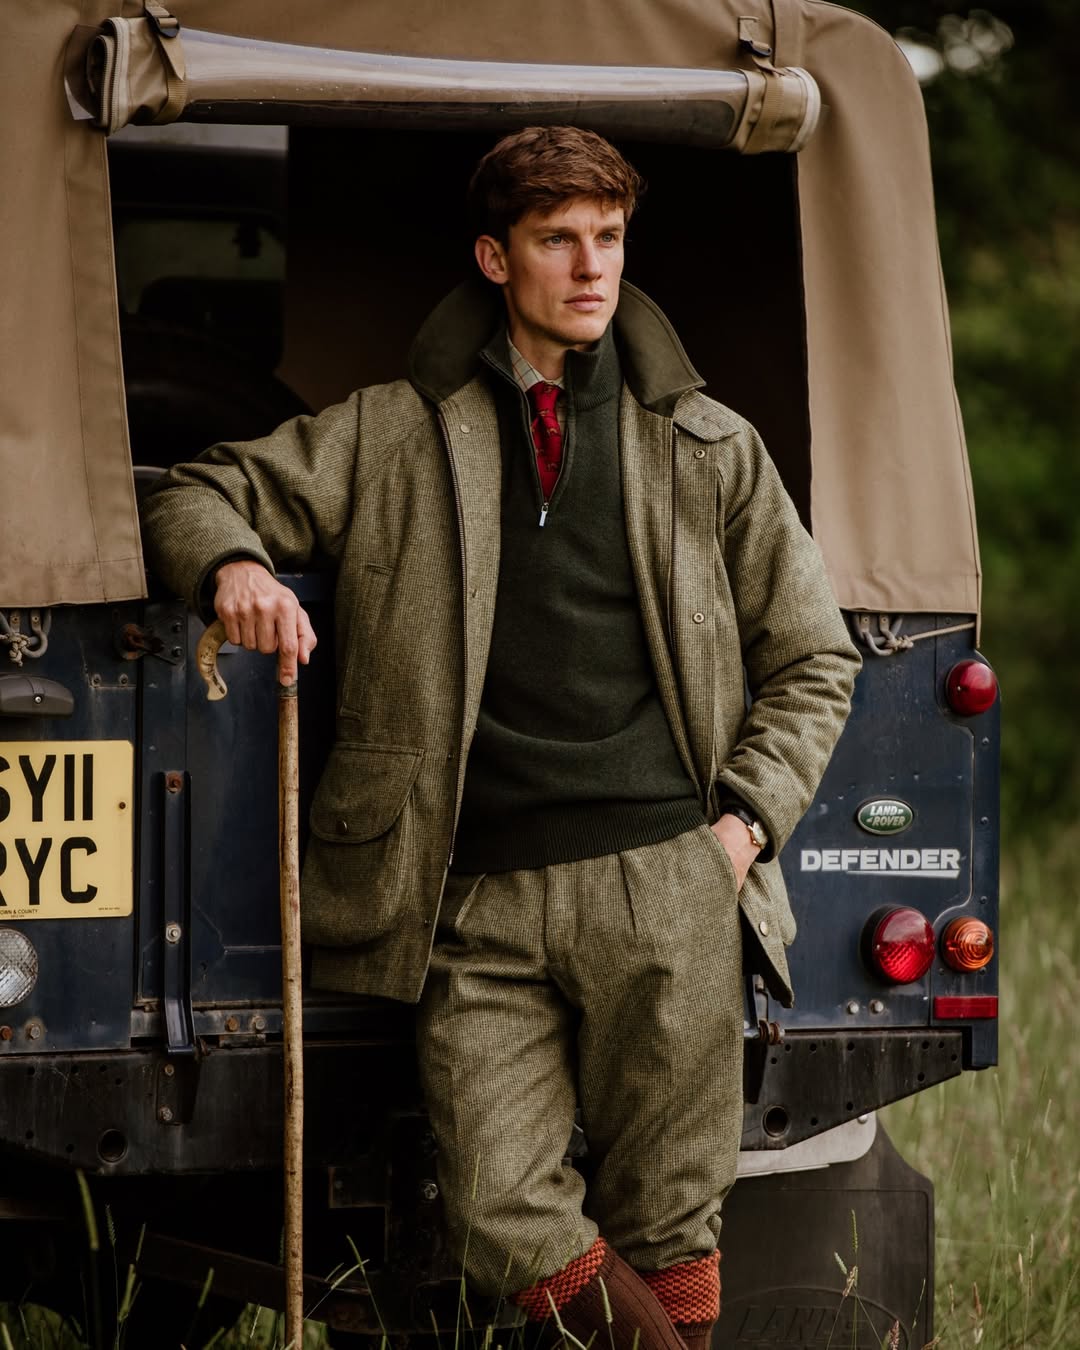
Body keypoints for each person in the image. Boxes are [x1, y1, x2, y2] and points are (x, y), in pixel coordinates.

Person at [141, 125, 860, 1350]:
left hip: (667, 883)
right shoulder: (391, 433)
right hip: (471, 899)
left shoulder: (707, 446)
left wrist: (740, 832)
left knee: (670, 1220)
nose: (591, 267)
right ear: (495, 258)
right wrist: (235, 569)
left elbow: (815, 656)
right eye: (557, 239)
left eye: (609, 237)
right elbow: (195, 489)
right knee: (496, 1211)